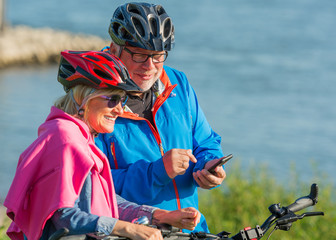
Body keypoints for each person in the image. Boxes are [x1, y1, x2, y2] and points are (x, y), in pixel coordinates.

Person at [4, 50, 200, 240]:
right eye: (112, 99)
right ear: (83, 98)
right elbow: (63, 215)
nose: (119, 109)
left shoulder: (82, 138)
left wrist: (158, 215)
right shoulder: (64, 137)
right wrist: (127, 229)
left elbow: (104, 201)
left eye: (122, 100)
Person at [95, 2, 226, 233]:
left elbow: (205, 142)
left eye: (158, 56)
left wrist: (209, 165)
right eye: (139, 55)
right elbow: (93, 186)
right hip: (134, 233)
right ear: (115, 49)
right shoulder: (93, 99)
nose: (149, 66)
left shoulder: (178, 83)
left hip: (191, 232)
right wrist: (157, 171)